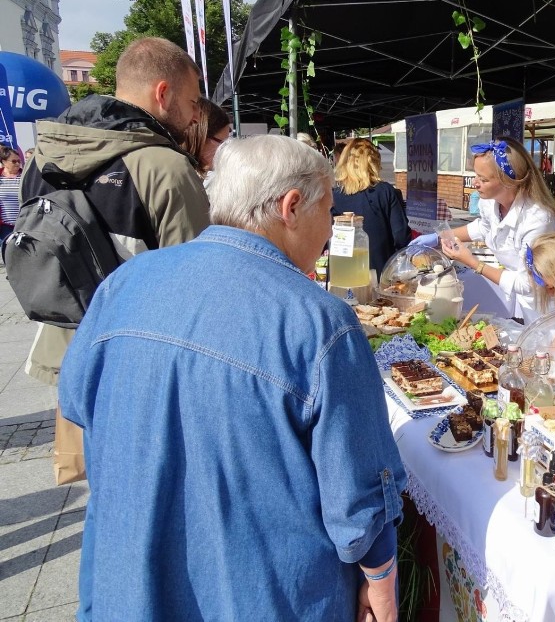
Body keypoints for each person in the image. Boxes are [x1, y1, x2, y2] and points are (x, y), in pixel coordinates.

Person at [58, 134, 407, 622]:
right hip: (265, 594)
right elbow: (359, 496)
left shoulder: (123, 283)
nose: (330, 230)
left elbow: (76, 404)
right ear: (290, 207)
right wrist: (381, 578)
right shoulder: (320, 321)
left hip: (128, 584)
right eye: (327, 212)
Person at [20, 36, 210, 390]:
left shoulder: (39, 160)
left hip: (63, 351)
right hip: (135, 364)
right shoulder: (164, 167)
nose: (197, 113)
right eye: (194, 101)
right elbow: (193, 286)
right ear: (163, 93)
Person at [413, 137, 555, 322]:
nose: (475, 183)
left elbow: (528, 284)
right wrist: (439, 236)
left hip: (545, 305)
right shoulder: (490, 203)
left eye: (483, 179)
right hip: (520, 299)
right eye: (475, 175)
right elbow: (483, 227)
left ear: (508, 181)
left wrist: (473, 262)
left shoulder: (537, 219)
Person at [333, 137, 411, 274]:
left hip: (342, 272)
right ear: (373, 163)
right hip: (380, 272)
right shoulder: (385, 191)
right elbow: (401, 236)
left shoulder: (333, 196)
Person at [180, 96, 231, 184]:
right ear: (202, 139)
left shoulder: (191, 178)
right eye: (222, 144)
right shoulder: (179, 180)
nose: (226, 150)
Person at [0, 146, 23, 243]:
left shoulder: (24, 176)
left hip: (25, 224)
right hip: (5, 227)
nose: (17, 164)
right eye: (14, 161)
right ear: (4, 162)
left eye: (19, 161)